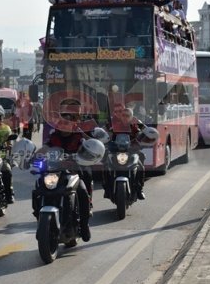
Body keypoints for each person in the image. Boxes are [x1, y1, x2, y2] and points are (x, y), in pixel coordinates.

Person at [34, 99, 93, 242]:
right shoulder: (54, 136)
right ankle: (39, 217)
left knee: (82, 191)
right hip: (55, 171)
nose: (64, 125)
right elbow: (46, 147)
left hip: (72, 172)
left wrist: (85, 155)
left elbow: (87, 146)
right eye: (62, 122)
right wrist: (36, 155)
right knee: (38, 188)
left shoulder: (78, 136)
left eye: (67, 122)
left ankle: (84, 226)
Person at [106, 108, 147, 200]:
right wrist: (105, 138)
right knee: (106, 164)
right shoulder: (115, 126)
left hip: (131, 152)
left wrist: (140, 140)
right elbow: (107, 134)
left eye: (127, 116)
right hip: (116, 152)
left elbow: (144, 133)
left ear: (131, 117)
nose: (124, 117)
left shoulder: (135, 127)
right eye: (123, 115)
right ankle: (107, 189)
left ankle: (139, 189)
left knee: (140, 165)